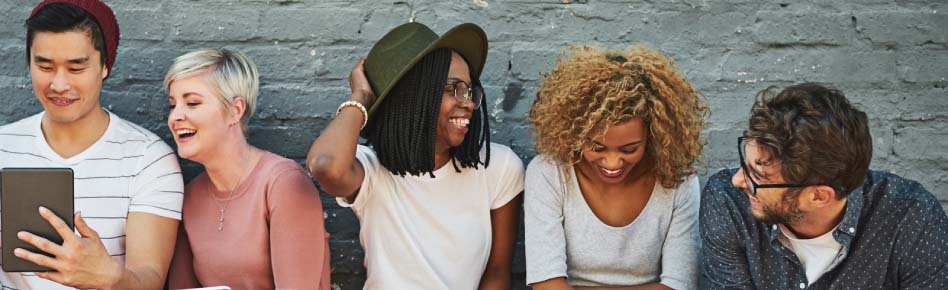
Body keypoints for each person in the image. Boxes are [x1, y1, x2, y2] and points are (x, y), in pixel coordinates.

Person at [0, 1, 183, 289]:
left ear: (105, 66)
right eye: (45, 66)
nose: (59, 84)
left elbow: (150, 279)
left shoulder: (149, 160)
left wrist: (110, 277)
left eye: (76, 67)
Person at [306, 22, 522, 290]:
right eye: (454, 89)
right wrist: (361, 96)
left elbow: (497, 274)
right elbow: (326, 165)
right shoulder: (371, 171)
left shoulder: (497, 168)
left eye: (469, 91)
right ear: (418, 96)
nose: (467, 103)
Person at [700, 83, 948, 289]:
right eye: (746, 162)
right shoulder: (728, 201)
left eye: (759, 176)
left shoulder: (912, 220)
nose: (738, 180)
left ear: (819, 196)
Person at [523, 46, 708, 290]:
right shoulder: (550, 174)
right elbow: (547, 287)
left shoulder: (677, 180)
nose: (612, 163)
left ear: (652, 136)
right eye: (597, 148)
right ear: (577, 135)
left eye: (629, 149)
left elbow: (679, 285)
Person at [162, 49, 331, 290]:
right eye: (172, 105)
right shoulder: (188, 197)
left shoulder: (282, 184)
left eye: (192, 103)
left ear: (235, 110)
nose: (175, 117)